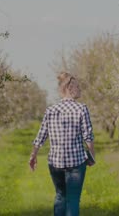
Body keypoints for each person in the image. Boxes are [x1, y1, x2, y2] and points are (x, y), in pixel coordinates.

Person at [29, 72, 95, 216]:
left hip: (55, 163)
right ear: (70, 88)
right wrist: (91, 156)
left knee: (60, 196)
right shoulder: (81, 109)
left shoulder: (51, 110)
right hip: (76, 163)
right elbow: (88, 136)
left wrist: (33, 155)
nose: (80, 89)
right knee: (73, 200)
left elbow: (41, 135)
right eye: (78, 86)